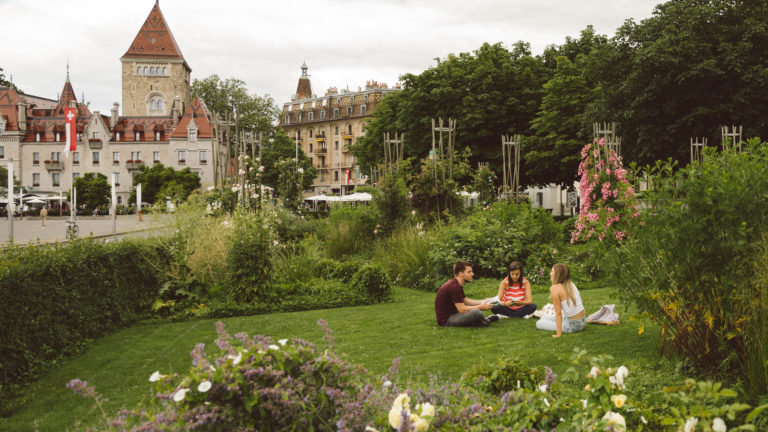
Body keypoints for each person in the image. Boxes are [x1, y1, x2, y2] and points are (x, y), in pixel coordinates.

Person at [435, 260, 499, 327]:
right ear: (461, 273)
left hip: (455, 315)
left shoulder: (456, 284)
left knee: (475, 311)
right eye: (469, 272)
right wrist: (481, 307)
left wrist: (484, 301)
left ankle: (481, 322)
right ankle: (485, 321)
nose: (472, 274)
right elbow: (462, 309)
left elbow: (466, 301)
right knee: (476, 312)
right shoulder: (454, 287)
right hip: (446, 321)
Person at [536, 263, 586, 337]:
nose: (550, 273)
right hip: (583, 320)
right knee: (543, 317)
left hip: (573, 326)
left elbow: (558, 314)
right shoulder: (571, 284)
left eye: (552, 271)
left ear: (557, 274)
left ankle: (563, 326)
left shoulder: (554, 289)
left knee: (539, 323)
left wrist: (558, 334)